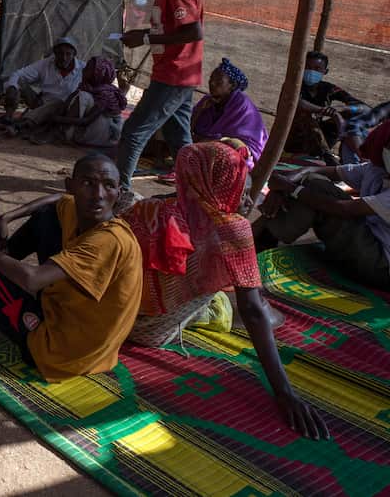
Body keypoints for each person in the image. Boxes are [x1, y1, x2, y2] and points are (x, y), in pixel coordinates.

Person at [123, 142, 329, 439]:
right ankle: (207, 310)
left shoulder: (153, 206)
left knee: (230, 290)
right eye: (240, 191)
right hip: (151, 332)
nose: (248, 200)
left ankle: (208, 303)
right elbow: (253, 312)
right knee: (267, 314)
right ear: (216, 188)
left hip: (122, 318)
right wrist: (285, 393)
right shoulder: (231, 230)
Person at [0, 153, 142, 382]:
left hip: (59, 352)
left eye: (108, 185)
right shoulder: (84, 213)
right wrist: (8, 216)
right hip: (77, 325)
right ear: (70, 186)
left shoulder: (108, 241)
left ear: (119, 192)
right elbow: (57, 200)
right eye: (87, 183)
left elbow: (32, 280)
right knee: (47, 217)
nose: (98, 194)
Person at [116, 0, 205, 194]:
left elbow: (193, 31)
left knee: (134, 132)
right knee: (179, 137)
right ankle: (194, 192)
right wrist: (143, 34)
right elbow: (172, 29)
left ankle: (120, 191)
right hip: (176, 73)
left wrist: (145, 38)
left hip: (174, 75)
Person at [257, 119, 390, 291]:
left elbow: (343, 209)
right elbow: (315, 171)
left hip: (382, 267)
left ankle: (265, 237)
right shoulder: (376, 170)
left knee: (315, 190)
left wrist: (291, 188)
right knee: (312, 183)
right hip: (370, 243)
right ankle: (266, 234)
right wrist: (281, 188)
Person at [285, 50, 369, 165]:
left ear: (325, 71)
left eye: (317, 68)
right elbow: (298, 103)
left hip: (319, 139)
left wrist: (342, 110)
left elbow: (365, 108)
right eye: (307, 67)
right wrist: (330, 113)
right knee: (308, 116)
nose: (311, 71)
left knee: (351, 118)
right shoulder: (293, 86)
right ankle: (328, 156)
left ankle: (360, 158)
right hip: (294, 140)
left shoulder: (328, 89)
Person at [189, 58, 268, 168]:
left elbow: (227, 138)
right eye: (211, 79)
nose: (212, 83)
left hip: (244, 151)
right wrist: (199, 110)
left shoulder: (240, 103)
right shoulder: (207, 100)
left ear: (232, 86)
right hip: (210, 146)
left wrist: (202, 141)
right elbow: (189, 129)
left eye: (219, 82)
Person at [0, 37, 85, 137]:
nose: (64, 58)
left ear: (74, 55)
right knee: (17, 81)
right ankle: (8, 118)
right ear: (55, 53)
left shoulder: (84, 68)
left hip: (64, 110)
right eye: (60, 53)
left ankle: (19, 126)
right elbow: (19, 75)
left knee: (57, 103)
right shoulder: (46, 64)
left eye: (68, 54)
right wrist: (12, 87)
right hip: (41, 103)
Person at [41, 55, 127, 147]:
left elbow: (87, 121)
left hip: (106, 135)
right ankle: (55, 130)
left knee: (82, 96)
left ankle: (63, 133)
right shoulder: (88, 87)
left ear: (97, 73)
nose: (83, 70)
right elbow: (68, 102)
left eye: (88, 69)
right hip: (95, 129)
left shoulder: (106, 94)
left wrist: (58, 119)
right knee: (65, 100)